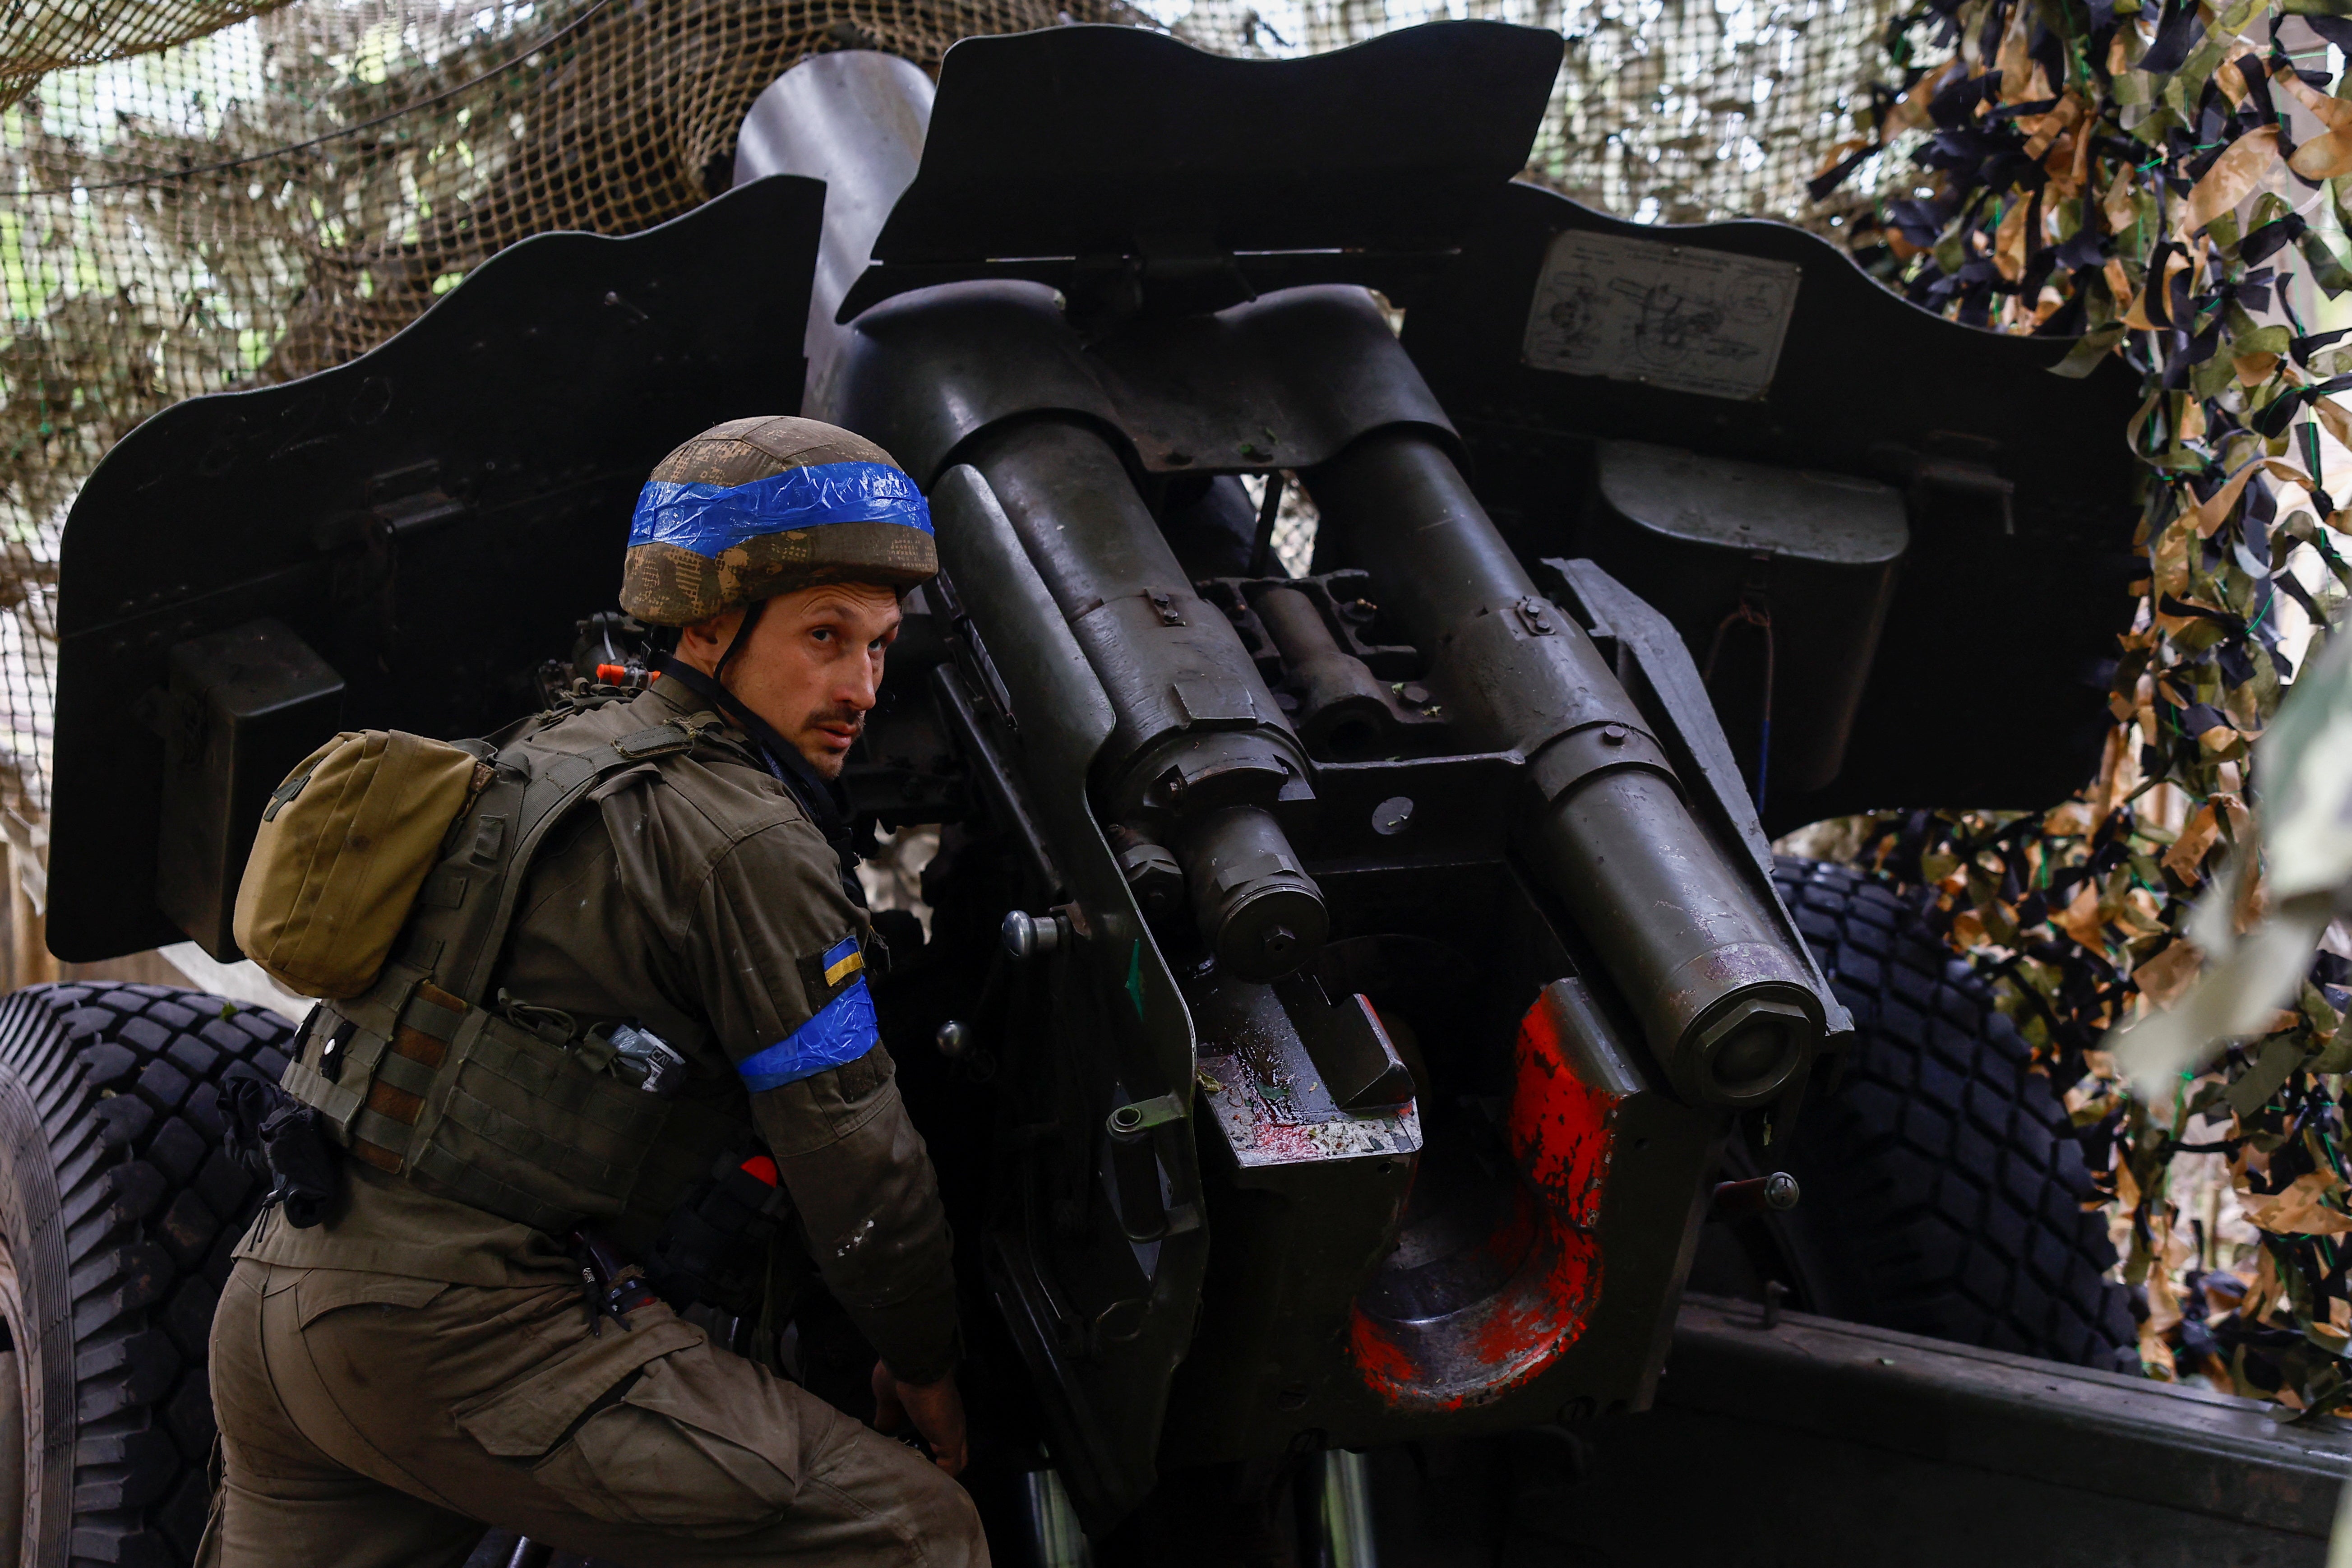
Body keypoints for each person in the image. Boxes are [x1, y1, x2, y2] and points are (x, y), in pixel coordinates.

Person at [206, 416, 983, 1567]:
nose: (860, 685)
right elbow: (856, 1157)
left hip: (278, 1300)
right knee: (913, 1531)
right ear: (710, 626)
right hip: (453, 1337)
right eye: (825, 635)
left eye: (877, 646)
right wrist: (923, 1362)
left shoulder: (541, 752)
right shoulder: (746, 841)